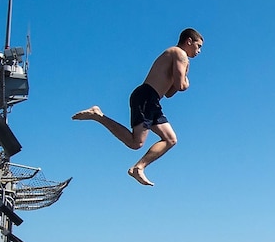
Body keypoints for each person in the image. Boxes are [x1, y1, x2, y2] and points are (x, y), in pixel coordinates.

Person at [73, 29, 204, 186]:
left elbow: (169, 93)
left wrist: (182, 78)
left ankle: (138, 168)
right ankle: (98, 115)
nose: (199, 51)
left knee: (170, 139)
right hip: (146, 96)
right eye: (198, 46)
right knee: (136, 143)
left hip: (152, 100)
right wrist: (185, 82)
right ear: (189, 41)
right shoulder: (179, 54)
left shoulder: (178, 57)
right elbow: (180, 85)